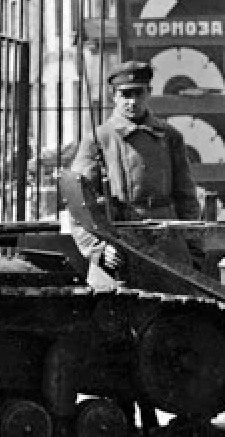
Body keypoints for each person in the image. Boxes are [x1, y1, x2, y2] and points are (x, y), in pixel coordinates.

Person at [67, 59, 201, 288]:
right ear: (114, 96)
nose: (132, 101)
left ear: (148, 93)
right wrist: (99, 250)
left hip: (167, 244)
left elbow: (186, 198)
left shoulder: (170, 137)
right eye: (125, 94)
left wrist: (192, 247)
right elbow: (78, 206)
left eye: (139, 93)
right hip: (119, 246)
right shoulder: (98, 140)